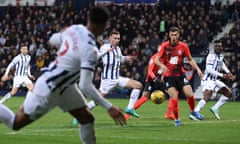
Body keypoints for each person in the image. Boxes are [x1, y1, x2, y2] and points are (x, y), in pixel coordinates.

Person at [0, 6, 126, 144]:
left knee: (87, 119)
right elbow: (85, 86)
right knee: (15, 123)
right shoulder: (90, 50)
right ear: (102, 26)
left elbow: (53, 39)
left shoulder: (75, 29)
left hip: (66, 87)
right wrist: (109, 107)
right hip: (49, 88)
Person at [154, 26, 203, 126]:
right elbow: (156, 59)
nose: (173, 37)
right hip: (169, 77)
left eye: (175, 35)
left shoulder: (183, 46)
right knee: (174, 97)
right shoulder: (165, 46)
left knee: (190, 94)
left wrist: (197, 69)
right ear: (169, 35)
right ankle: (177, 119)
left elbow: (190, 59)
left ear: (178, 35)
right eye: (172, 35)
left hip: (180, 75)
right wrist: (162, 66)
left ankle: (193, 111)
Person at [87, 30, 143, 117]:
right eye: (115, 38)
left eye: (118, 38)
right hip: (108, 80)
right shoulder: (105, 47)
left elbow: (119, 59)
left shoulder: (118, 49)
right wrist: (106, 52)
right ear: (110, 38)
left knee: (138, 85)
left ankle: (130, 108)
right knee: (98, 100)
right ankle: (82, 112)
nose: (117, 40)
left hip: (117, 78)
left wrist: (126, 58)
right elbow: (96, 57)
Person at [123, 52, 173, 120]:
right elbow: (150, 71)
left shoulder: (167, 58)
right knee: (144, 98)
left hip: (160, 80)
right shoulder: (154, 57)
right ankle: (127, 115)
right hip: (151, 80)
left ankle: (168, 114)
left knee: (173, 94)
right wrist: (155, 79)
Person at [193, 40, 233, 120]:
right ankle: (195, 112)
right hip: (207, 80)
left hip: (214, 80)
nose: (218, 47)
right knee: (208, 95)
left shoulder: (220, 56)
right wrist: (222, 75)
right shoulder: (211, 56)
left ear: (221, 47)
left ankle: (215, 108)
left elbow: (222, 64)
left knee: (228, 93)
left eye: (219, 46)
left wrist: (228, 72)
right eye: (216, 46)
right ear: (214, 47)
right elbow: (209, 69)